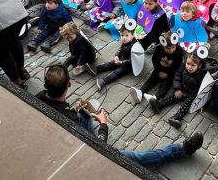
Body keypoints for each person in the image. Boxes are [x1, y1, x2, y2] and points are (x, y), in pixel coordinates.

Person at [39, 64, 204, 165]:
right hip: (83, 154)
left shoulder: (40, 96)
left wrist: (75, 108)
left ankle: (87, 124)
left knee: (84, 114)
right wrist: (103, 124)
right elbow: (99, 148)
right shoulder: (71, 120)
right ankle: (181, 149)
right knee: (136, 157)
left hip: (54, 138)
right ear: (69, 83)